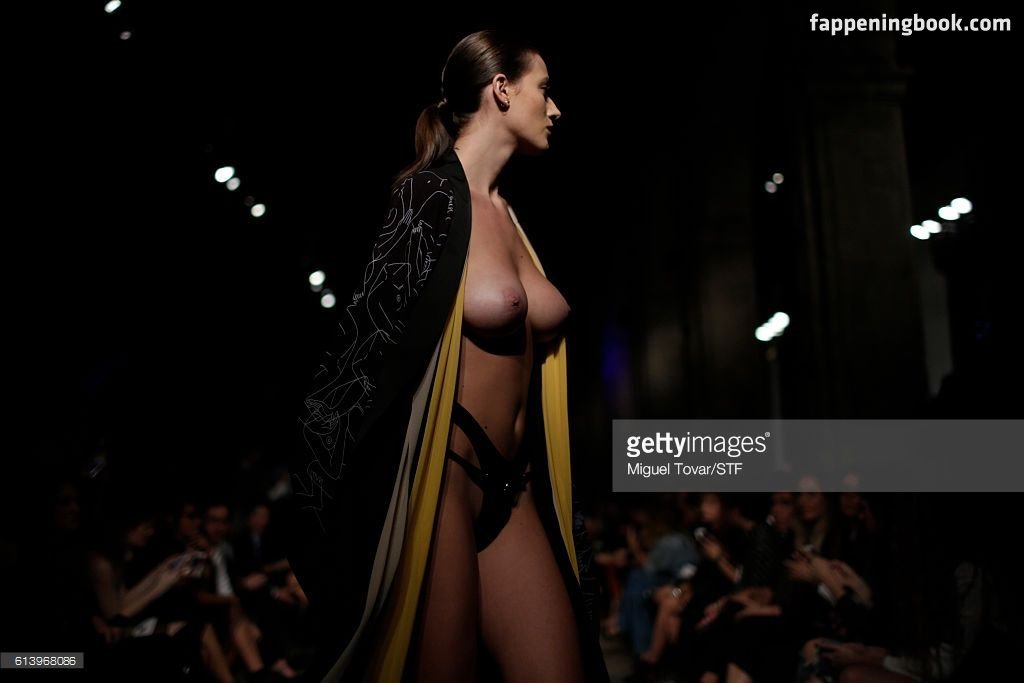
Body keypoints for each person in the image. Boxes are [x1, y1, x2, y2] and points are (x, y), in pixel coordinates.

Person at [285, 29, 610, 682]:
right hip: (445, 482)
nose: (555, 108)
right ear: (501, 89)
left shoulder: (507, 212)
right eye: (544, 90)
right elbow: (359, 353)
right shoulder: (429, 197)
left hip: (513, 487)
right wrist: (313, 518)